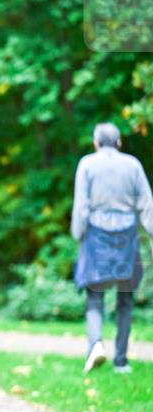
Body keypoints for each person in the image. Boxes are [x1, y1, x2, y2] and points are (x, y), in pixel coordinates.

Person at [72, 122, 153, 374]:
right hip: (127, 237)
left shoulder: (87, 164)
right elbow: (147, 203)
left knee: (95, 296)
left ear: (96, 143)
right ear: (119, 142)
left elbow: (81, 204)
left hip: (96, 236)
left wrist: (78, 233)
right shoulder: (133, 165)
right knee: (125, 299)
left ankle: (95, 345)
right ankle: (121, 361)